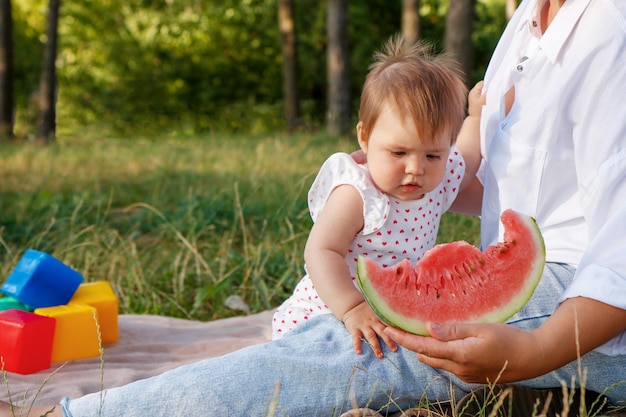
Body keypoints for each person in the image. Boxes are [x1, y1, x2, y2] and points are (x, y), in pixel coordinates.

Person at [2, 0, 626, 416]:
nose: (417, 169)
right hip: (504, 272)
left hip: (584, 302)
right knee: (345, 333)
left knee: (349, 349)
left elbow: (613, 253)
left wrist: (536, 352)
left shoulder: (613, 30)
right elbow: (488, 176)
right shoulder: (524, 25)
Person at [271, 36, 482, 359]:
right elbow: (320, 250)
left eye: (433, 155)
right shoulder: (358, 193)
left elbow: (466, 162)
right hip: (328, 311)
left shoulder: (437, 180)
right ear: (365, 137)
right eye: (399, 152)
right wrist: (351, 306)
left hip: (390, 312)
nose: (415, 169)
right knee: (326, 364)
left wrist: (476, 118)